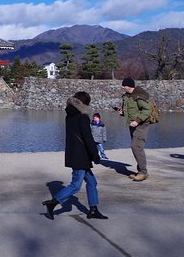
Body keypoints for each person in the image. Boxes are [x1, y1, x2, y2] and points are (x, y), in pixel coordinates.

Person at [42, 91, 107, 220]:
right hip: (81, 156)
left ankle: (93, 209)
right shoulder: (82, 117)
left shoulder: (70, 115)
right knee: (76, 185)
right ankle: (53, 203)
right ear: (84, 103)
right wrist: (96, 155)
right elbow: (88, 137)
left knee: (92, 182)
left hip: (75, 154)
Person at [115, 77, 152, 182]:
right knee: (137, 147)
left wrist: (137, 120)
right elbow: (130, 110)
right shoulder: (127, 96)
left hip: (141, 124)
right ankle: (141, 171)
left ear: (129, 86)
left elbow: (147, 110)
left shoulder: (139, 95)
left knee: (135, 146)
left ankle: (143, 173)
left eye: (124, 85)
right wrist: (122, 113)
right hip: (132, 125)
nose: (123, 87)